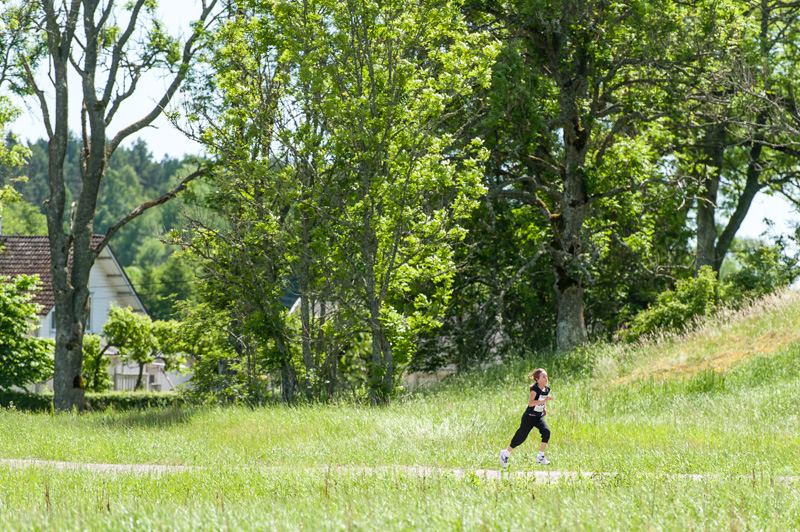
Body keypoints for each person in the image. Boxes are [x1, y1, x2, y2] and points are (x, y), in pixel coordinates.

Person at [499, 368, 552, 468]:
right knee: (520, 437)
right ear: (537, 379)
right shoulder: (534, 389)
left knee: (546, 431)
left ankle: (540, 456)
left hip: (538, 417)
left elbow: (541, 400)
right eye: (543, 377)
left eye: (546, 376)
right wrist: (544, 400)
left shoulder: (547, 389)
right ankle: (505, 453)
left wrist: (544, 407)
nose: (546, 379)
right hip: (529, 417)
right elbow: (531, 403)